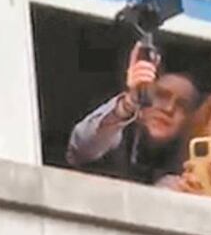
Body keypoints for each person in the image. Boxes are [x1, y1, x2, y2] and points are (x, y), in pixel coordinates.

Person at [67, 44, 199, 184]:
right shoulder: (112, 134)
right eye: (161, 95)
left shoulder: (188, 165)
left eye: (182, 105)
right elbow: (82, 146)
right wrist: (129, 103)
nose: (168, 109)